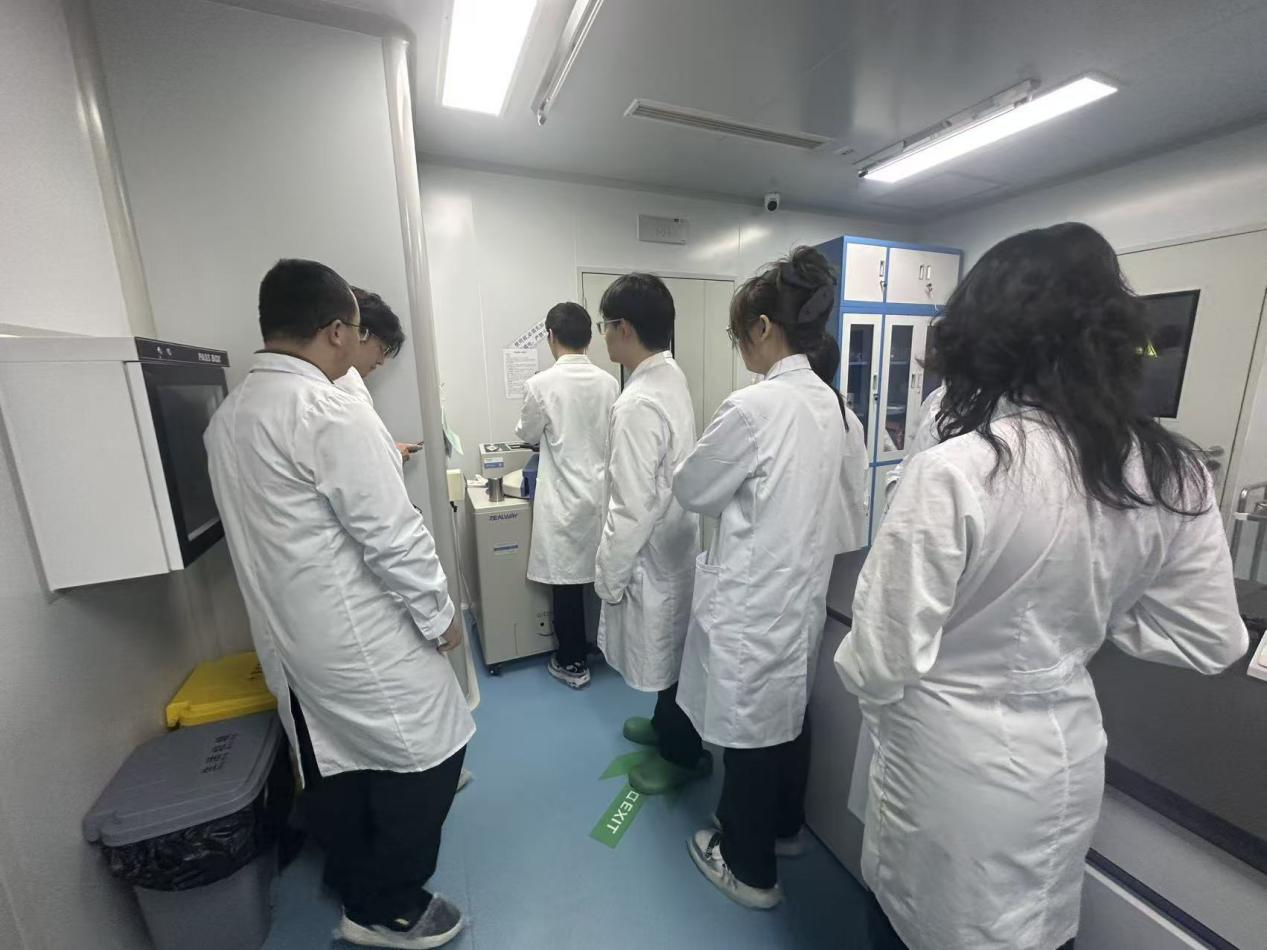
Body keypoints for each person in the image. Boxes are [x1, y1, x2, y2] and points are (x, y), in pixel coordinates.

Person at [834, 223, 1249, 950]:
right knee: (1037, 932)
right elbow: (1210, 637)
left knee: (924, 927)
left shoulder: (960, 470)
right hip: (1063, 757)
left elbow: (877, 657)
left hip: (951, 766)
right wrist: (1093, 610)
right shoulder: (1172, 470)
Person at [205, 259, 474, 950]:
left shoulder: (228, 417)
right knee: (434, 749)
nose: (359, 347)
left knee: (335, 760)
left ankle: (352, 875)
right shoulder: (326, 410)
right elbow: (392, 535)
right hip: (355, 633)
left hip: (288, 636)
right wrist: (440, 615)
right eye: (355, 332)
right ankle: (384, 905)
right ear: (333, 331)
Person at [671, 247, 870, 909]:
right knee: (786, 713)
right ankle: (783, 829)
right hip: (801, 595)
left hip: (753, 599)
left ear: (762, 327)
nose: (741, 349)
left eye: (739, 336)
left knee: (750, 731)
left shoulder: (753, 407)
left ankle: (749, 869)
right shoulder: (837, 409)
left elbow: (693, 490)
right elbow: (849, 514)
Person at [593, 273, 707, 795]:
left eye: (605, 325)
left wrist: (609, 577)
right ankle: (665, 727)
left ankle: (684, 755)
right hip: (675, 542)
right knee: (673, 646)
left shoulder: (637, 402)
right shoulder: (669, 375)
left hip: (653, 548)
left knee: (669, 650)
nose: (603, 335)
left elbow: (632, 506)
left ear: (625, 328)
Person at [514, 302, 620, 689]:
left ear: (551, 336)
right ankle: (604, 647)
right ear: (589, 338)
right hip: (601, 496)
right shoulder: (609, 383)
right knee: (602, 576)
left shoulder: (540, 385)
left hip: (563, 499)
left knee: (566, 585)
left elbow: (527, 433)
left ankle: (572, 661)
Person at [334, 287, 423, 464]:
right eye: (383, 348)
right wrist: (391, 457)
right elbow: (362, 464)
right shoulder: (347, 382)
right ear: (360, 332)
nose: (382, 361)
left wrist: (388, 452)